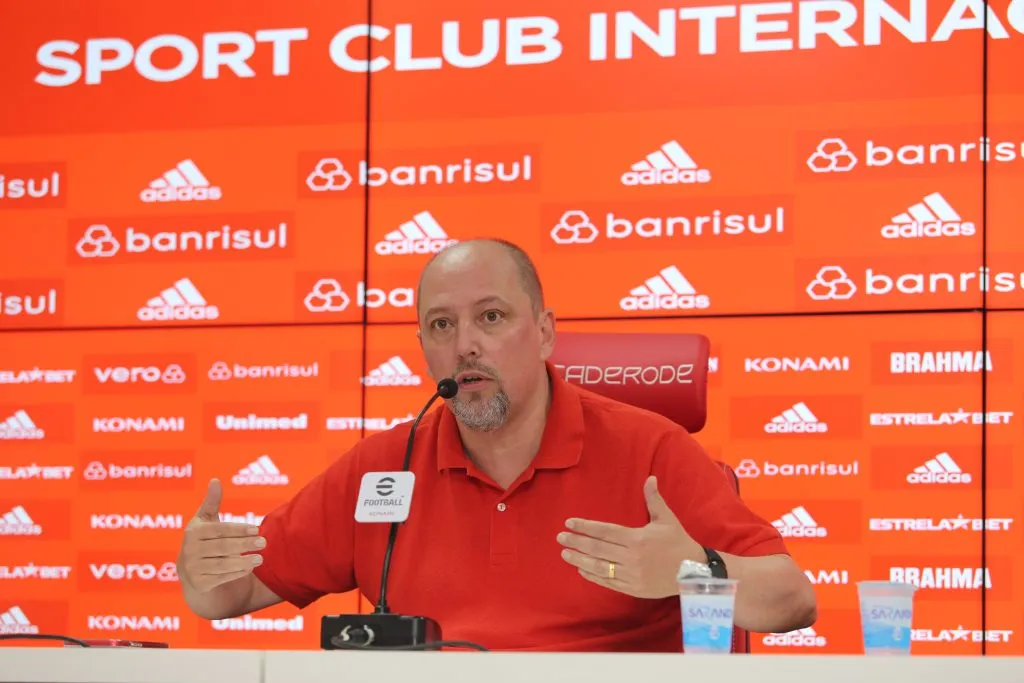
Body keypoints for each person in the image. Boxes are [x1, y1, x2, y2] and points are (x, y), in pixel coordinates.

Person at [176, 238, 816, 651]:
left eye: (491, 317)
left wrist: (693, 570)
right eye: (441, 325)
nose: (466, 345)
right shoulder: (385, 467)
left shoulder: (650, 450)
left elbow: (793, 600)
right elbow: (228, 595)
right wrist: (202, 571)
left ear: (544, 333)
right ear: (424, 349)